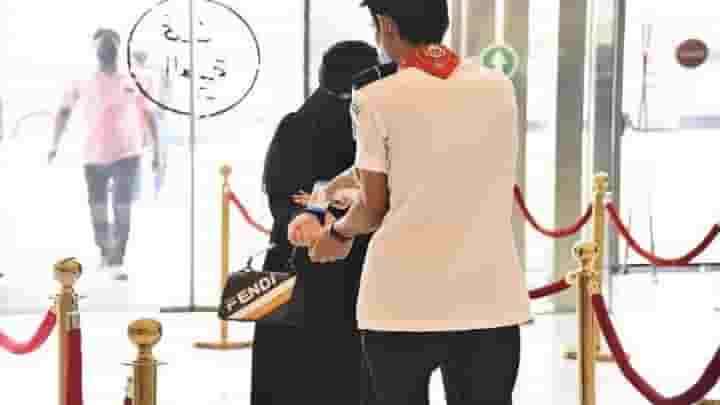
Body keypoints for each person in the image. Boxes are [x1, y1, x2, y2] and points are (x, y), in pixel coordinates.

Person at [288, 1, 531, 404]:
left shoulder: (375, 96)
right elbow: (438, 160)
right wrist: (338, 185)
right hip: (489, 296)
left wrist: (337, 235)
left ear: (386, 26)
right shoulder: (498, 86)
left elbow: (372, 207)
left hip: (401, 300)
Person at [251, 41, 380, 405]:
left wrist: (310, 208)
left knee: (292, 374)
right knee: (352, 371)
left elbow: (282, 198)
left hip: (297, 265)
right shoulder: (371, 128)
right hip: (356, 265)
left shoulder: (296, 124)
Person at [49, 28, 160, 281]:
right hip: (93, 154)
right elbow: (64, 111)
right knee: (98, 208)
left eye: (110, 45)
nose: (106, 50)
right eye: (101, 45)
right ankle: (104, 251)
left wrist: (157, 152)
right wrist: (54, 144)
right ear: (94, 50)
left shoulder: (134, 78)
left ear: (118, 49)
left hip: (127, 153)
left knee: (122, 206)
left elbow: (149, 115)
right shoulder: (81, 79)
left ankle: (117, 259)